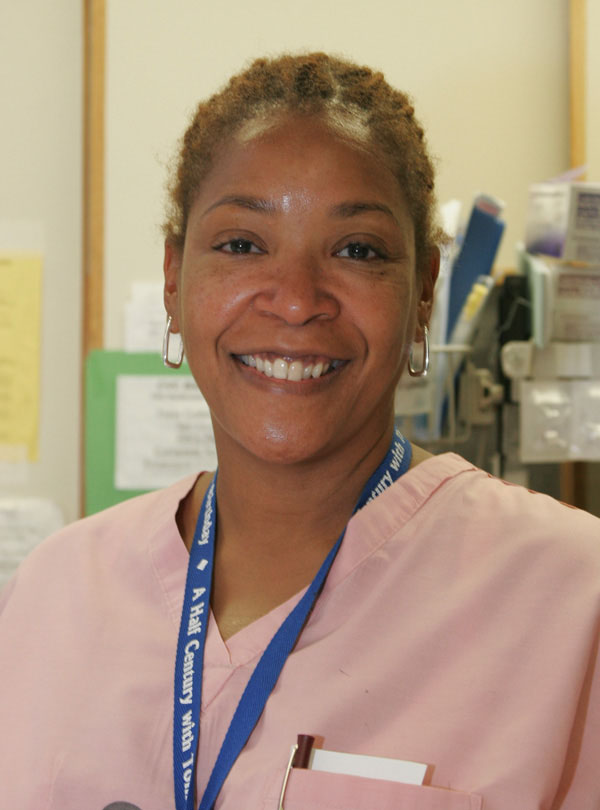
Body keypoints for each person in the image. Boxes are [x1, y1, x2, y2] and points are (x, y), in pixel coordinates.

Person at [1, 52, 600, 810]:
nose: (295, 300)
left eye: (357, 251)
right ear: (174, 280)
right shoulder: (56, 595)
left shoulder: (571, 599)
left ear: (422, 296)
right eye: (243, 244)